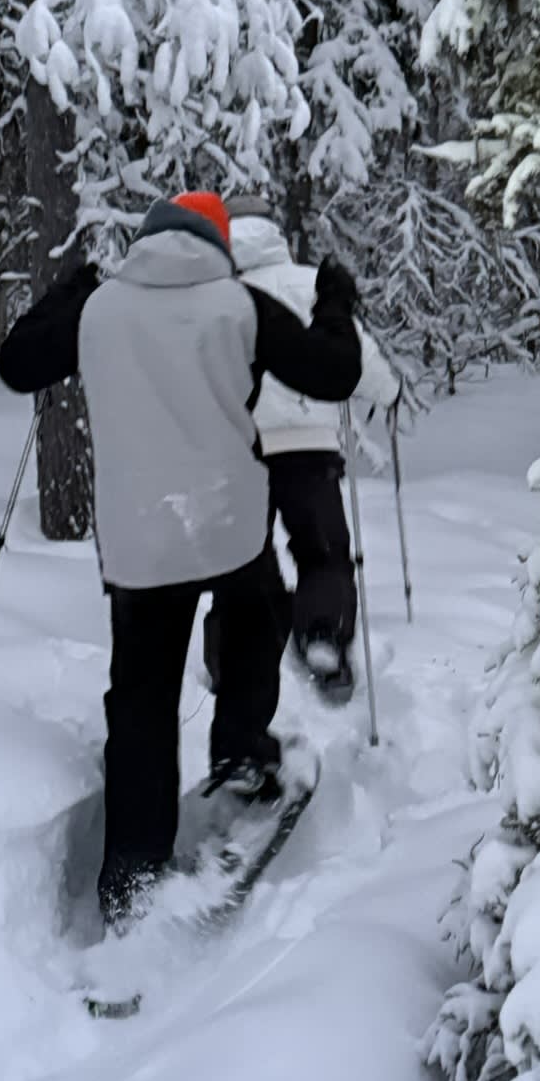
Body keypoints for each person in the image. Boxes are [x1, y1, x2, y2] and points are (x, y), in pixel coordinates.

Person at [0, 190, 362, 928]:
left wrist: (68, 291)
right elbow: (333, 374)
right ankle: (243, 754)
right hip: (229, 523)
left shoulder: (99, 308)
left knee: (142, 699)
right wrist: (334, 302)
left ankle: (131, 875)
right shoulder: (239, 305)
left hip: (138, 541)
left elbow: (18, 364)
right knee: (258, 618)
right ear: (217, 243)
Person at [203, 194, 401, 704]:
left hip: (236, 448)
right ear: (276, 234)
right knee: (322, 549)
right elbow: (358, 362)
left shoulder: (216, 295)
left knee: (241, 557)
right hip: (309, 448)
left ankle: (230, 656)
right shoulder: (315, 286)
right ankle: (323, 636)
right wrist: (389, 392)